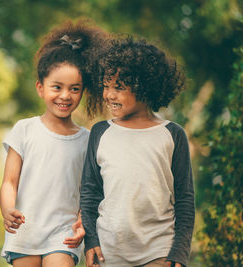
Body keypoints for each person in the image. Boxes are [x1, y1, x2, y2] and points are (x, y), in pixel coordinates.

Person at [80, 35, 195, 267]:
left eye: (119, 88)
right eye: (106, 86)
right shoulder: (100, 132)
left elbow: (184, 199)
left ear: (144, 87)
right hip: (108, 253)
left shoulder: (172, 134)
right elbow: (90, 193)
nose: (109, 95)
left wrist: (179, 253)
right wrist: (90, 239)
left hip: (158, 251)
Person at [0, 20, 107, 267]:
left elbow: (89, 191)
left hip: (64, 234)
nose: (65, 96)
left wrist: (83, 221)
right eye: (56, 87)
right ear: (41, 87)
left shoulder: (88, 139)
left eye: (75, 89)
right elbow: (9, 182)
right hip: (25, 229)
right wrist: (7, 211)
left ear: (83, 92)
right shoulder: (24, 129)